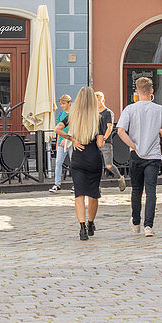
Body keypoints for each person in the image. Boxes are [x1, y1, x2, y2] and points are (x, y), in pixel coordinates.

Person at [117, 77, 162, 238]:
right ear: (152, 91)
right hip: (154, 156)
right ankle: (148, 226)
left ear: (136, 91)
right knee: (151, 191)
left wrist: (133, 145)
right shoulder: (159, 109)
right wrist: (160, 132)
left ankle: (136, 222)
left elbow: (120, 131)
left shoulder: (130, 109)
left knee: (136, 190)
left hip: (136, 155)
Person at [59, 87, 104, 241]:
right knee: (93, 194)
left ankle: (82, 228)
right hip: (93, 159)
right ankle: (91, 222)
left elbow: (57, 129)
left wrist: (72, 139)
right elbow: (99, 143)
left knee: (79, 194)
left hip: (78, 159)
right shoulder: (98, 118)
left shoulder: (73, 116)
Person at [95, 91, 127, 192]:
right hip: (95, 142)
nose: (97, 103)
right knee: (96, 165)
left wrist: (104, 138)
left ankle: (120, 178)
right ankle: (97, 186)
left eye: (98, 100)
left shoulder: (108, 112)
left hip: (106, 142)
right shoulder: (93, 113)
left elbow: (110, 127)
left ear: (103, 100)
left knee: (108, 164)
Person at [48, 94, 72, 193]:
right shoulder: (61, 114)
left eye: (63, 103)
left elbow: (73, 129)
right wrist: (58, 142)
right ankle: (57, 184)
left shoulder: (74, 114)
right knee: (58, 163)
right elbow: (58, 129)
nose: (62, 106)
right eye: (61, 104)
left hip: (71, 142)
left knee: (74, 163)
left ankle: (76, 185)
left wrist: (66, 139)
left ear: (69, 103)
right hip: (61, 143)